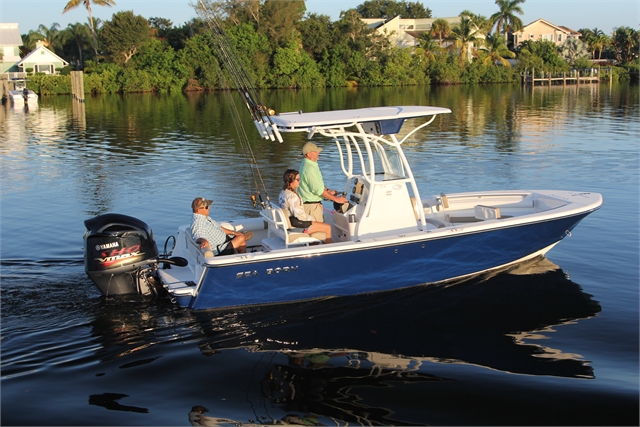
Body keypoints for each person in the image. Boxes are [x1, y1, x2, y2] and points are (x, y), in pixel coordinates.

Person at [298, 142, 347, 222]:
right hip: (312, 207)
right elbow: (318, 190)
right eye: (316, 151)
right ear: (309, 154)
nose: (318, 153)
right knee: (318, 234)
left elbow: (317, 184)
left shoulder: (307, 164)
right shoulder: (310, 169)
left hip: (312, 205)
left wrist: (327, 191)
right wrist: (336, 199)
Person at [279, 169, 333, 243]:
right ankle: (330, 248)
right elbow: (300, 216)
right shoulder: (292, 196)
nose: (300, 181)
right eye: (298, 179)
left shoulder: (283, 192)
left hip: (292, 221)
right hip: (295, 225)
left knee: (319, 225)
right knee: (327, 227)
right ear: (291, 181)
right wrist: (313, 218)